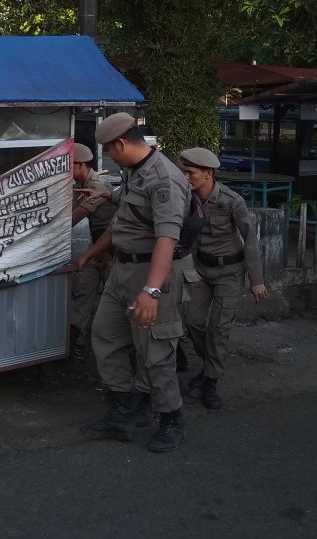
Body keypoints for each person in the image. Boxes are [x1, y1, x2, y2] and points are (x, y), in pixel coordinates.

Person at [74, 113, 192, 453]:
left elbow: (166, 241)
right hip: (121, 271)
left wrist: (151, 292)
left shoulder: (164, 179)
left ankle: (172, 418)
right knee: (105, 336)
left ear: (122, 144)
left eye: (110, 150)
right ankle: (122, 414)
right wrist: (89, 254)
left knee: (155, 351)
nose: (109, 156)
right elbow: (122, 225)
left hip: (152, 275)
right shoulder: (133, 172)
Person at [178, 147, 269, 410]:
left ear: (208, 173)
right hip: (201, 269)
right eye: (184, 171)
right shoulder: (188, 198)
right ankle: (209, 368)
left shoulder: (232, 201)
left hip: (230, 272)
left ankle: (211, 382)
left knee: (219, 327)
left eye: (191, 172)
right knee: (193, 320)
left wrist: (257, 280)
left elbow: (250, 238)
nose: (186, 177)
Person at [69, 142, 116, 357]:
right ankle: (71, 344)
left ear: (80, 165)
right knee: (83, 291)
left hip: (111, 250)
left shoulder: (98, 184)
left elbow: (75, 216)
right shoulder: (79, 182)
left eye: (69, 165)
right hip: (96, 246)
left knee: (117, 299)